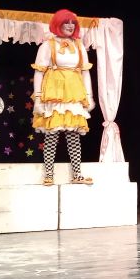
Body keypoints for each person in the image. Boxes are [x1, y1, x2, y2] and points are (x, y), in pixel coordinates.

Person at [32, 10, 96, 186]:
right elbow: (39, 72)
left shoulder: (79, 45)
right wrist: (38, 98)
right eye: (66, 22)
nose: (70, 26)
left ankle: (77, 174)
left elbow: (85, 72)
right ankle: (49, 174)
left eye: (73, 23)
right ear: (57, 24)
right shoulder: (48, 45)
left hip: (73, 93)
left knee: (73, 134)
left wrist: (89, 96)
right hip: (55, 93)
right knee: (52, 134)